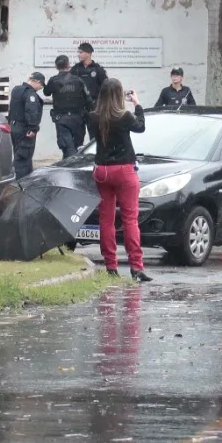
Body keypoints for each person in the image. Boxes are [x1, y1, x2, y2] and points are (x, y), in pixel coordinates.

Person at [87, 78, 147, 281]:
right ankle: (136, 267)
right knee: (130, 219)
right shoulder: (124, 116)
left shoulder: (93, 117)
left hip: (102, 170)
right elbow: (141, 127)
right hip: (124, 169)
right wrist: (137, 103)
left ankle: (111, 266)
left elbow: (94, 137)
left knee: (106, 220)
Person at [44, 55, 88, 158]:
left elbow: (46, 92)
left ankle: (70, 167)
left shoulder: (53, 80)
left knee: (67, 147)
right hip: (78, 119)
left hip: (62, 119)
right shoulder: (78, 80)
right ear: (69, 65)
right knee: (78, 147)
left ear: (56, 66)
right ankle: (73, 167)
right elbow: (88, 98)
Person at [8, 72, 45, 178]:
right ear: (37, 82)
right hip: (24, 130)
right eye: (41, 85)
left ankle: (25, 181)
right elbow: (31, 111)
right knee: (24, 158)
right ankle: (22, 184)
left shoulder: (16, 90)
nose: (40, 88)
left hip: (14, 127)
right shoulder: (30, 94)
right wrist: (33, 128)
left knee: (19, 155)